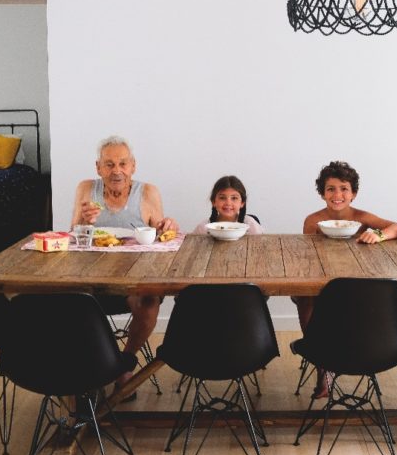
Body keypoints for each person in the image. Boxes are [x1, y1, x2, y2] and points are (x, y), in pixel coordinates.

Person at [71, 136, 179, 394]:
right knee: (72, 303)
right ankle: (91, 369)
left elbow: (160, 239)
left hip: (134, 279)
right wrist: (84, 223)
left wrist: (167, 226)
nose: (116, 171)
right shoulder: (86, 189)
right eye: (109, 164)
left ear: (133, 166)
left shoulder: (148, 192)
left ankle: (125, 362)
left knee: (151, 300)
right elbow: (73, 239)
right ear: (98, 167)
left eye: (122, 163)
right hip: (92, 280)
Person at [297, 160, 397, 398]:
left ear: (353, 193)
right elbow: (308, 255)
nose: (337, 194)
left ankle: (350, 354)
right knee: (304, 298)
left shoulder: (362, 217)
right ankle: (321, 364)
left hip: (358, 283)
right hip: (323, 280)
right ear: (322, 193)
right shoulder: (313, 221)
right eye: (331, 189)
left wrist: (378, 234)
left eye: (344, 188)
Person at [192, 175, 264, 235]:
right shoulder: (204, 228)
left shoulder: (250, 225)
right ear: (213, 201)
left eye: (234, 198)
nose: (228, 203)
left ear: (242, 203)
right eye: (222, 198)